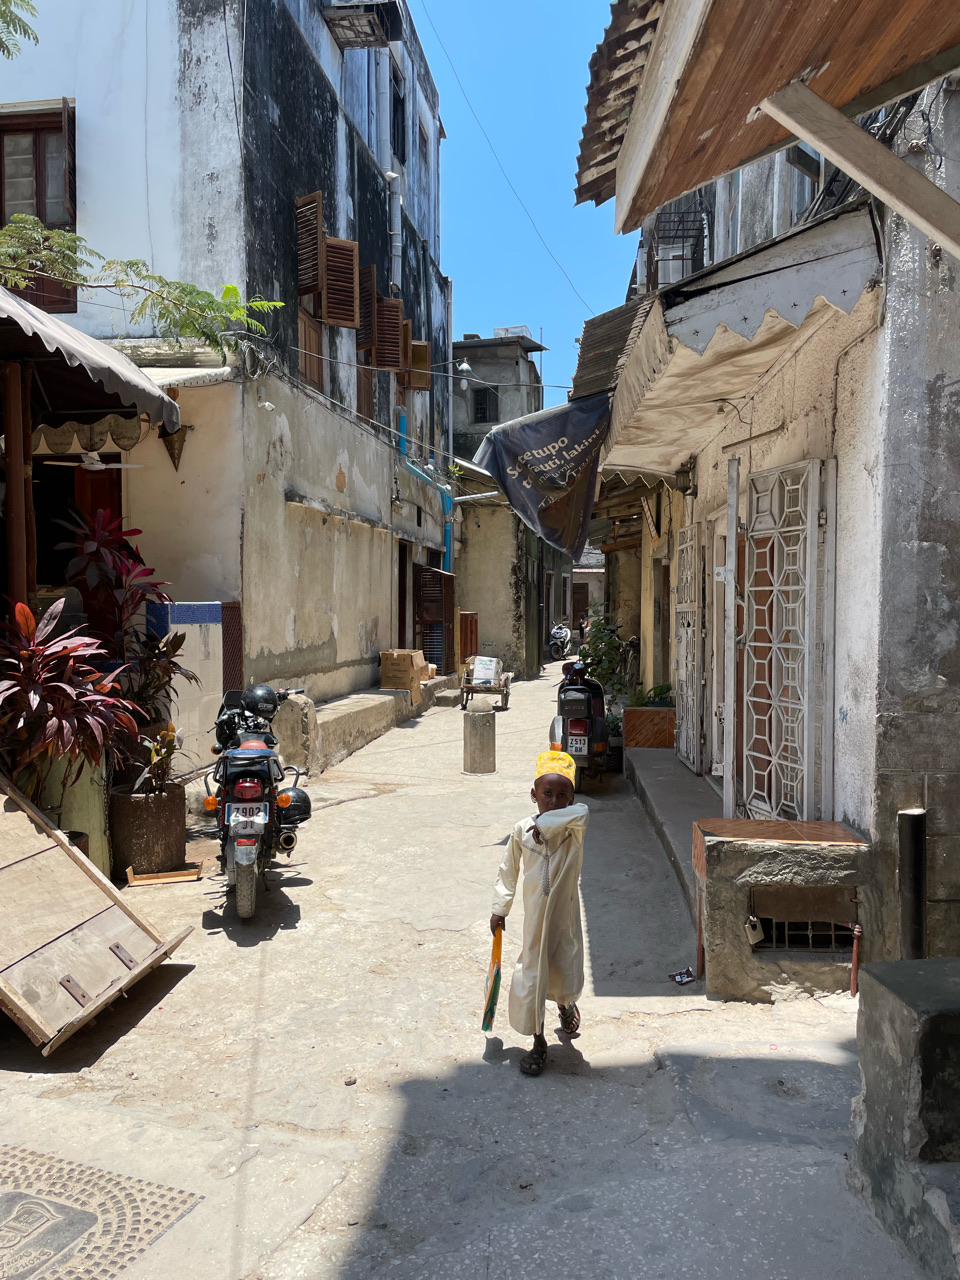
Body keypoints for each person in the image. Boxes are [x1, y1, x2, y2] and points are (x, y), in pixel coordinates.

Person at [489, 751, 589, 1076]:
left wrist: (545, 824)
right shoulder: (521, 831)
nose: (554, 801)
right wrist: (500, 909)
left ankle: (565, 1005)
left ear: (571, 799)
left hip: (565, 919)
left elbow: (583, 811)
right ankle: (539, 1042)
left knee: (563, 970)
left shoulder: (574, 829)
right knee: (533, 975)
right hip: (534, 920)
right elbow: (508, 872)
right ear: (534, 795)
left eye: (562, 795)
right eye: (547, 794)